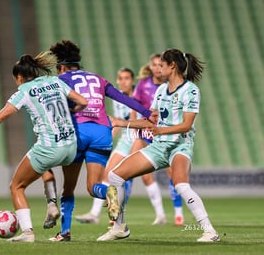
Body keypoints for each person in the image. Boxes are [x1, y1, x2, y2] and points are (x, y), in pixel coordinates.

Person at [0, 51, 88, 243]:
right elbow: (83, 101)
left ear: (19, 77)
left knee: (16, 186)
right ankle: (52, 205)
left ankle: (28, 232)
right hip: (71, 146)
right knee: (49, 171)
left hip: (49, 147)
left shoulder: (24, 91)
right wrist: (69, 112)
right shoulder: (55, 81)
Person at [105, 48, 220, 242]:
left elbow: (186, 126)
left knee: (181, 185)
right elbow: (151, 120)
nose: (157, 69)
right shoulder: (160, 90)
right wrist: (119, 122)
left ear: (172, 66)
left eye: (161, 65)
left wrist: (160, 130)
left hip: (180, 147)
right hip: (158, 147)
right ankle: (119, 227)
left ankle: (210, 231)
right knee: (114, 176)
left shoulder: (191, 90)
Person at [47, 40, 156, 242]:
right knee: (94, 186)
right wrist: (147, 112)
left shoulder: (62, 79)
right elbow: (122, 98)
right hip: (102, 133)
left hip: (78, 133)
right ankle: (110, 193)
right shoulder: (98, 79)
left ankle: (64, 233)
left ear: (62, 67)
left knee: (68, 188)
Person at [75, 67, 136, 226]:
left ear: (133, 81)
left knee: (135, 178)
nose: (123, 81)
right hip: (125, 141)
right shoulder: (117, 100)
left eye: (127, 78)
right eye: (120, 78)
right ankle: (98, 213)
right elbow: (116, 123)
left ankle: (164, 214)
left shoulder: (138, 96)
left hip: (138, 141)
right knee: (106, 176)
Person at [129, 54, 184, 226]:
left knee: (173, 174)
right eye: (154, 65)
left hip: (163, 133)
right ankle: (160, 215)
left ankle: (178, 214)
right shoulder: (144, 84)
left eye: (159, 65)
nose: (157, 68)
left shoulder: (170, 86)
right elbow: (133, 105)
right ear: (150, 67)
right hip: (146, 132)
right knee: (135, 168)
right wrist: (133, 126)